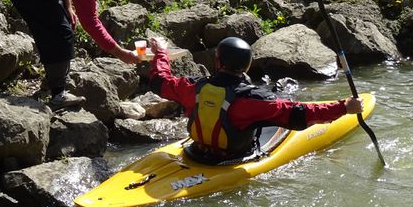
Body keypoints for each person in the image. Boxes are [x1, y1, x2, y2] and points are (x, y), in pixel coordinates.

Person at [148, 36, 364, 162]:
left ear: (218, 62)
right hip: (233, 157)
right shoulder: (254, 100)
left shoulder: (194, 87)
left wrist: (161, 53)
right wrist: (344, 107)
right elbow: (301, 114)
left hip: (198, 152)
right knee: (282, 103)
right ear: (247, 65)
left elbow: (159, 81)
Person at [4, 0, 141, 110]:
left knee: (63, 25)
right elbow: (90, 20)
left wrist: (67, 7)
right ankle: (58, 94)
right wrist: (120, 53)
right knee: (60, 33)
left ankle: (51, 81)